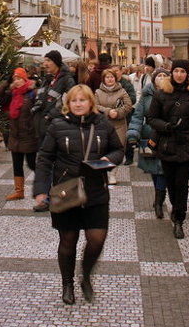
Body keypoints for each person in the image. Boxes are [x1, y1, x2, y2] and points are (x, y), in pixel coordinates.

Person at [33, 84, 124, 304]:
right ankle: (67, 284)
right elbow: (45, 159)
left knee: (97, 239)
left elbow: (119, 149)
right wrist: (40, 190)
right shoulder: (57, 126)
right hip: (66, 189)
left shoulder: (103, 124)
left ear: (90, 102)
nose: (78, 104)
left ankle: (86, 275)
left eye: (82, 100)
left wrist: (109, 160)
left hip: (95, 189)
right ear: (68, 104)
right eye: (74, 101)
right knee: (68, 240)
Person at [148, 59, 189, 239]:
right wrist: (166, 126)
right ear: (172, 72)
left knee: (182, 183)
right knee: (171, 183)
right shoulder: (161, 93)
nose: (180, 74)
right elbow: (152, 118)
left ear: (188, 74)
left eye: (183, 71)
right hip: (167, 143)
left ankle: (179, 218)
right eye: (177, 71)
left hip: (187, 143)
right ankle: (174, 207)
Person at [31, 51, 75, 211]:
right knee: (44, 162)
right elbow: (42, 100)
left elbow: (70, 102)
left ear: (56, 62)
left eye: (48, 60)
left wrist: (51, 115)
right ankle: (47, 196)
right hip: (43, 128)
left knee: (57, 164)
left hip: (56, 127)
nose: (45, 63)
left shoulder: (67, 80)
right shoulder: (48, 79)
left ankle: (54, 198)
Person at [127, 68, 170, 218]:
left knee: (162, 170)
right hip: (150, 137)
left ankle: (159, 200)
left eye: (165, 75)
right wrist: (133, 133)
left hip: (166, 137)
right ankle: (159, 193)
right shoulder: (146, 96)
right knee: (154, 170)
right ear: (153, 79)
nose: (162, 78)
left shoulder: (172, 95)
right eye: (159, 76)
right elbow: (138, 116)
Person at [0, 68, 37, 201]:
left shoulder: (32, 93)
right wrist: (7, 82)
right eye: (15, 79)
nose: (17, 81)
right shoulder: (12, 94)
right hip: (15, 135)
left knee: (33, 164)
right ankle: (19, 191)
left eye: (19, 78)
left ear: (25, 79)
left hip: (29, 135)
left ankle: (46, 187)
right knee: (17, 165)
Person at [94, 69, 132, 183]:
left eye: (112, 77)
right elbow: (95, 106)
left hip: (119, 125)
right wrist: (108, 111)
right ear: (103, 79)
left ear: (115, 78)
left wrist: (118, 112)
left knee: (118, 149)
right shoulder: (98, 92)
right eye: (107, 77)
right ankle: (104, 172)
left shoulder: (122, 91)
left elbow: (128, 105)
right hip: (103, 125)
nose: (110, 79)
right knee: (103, 148)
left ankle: (113, 174)